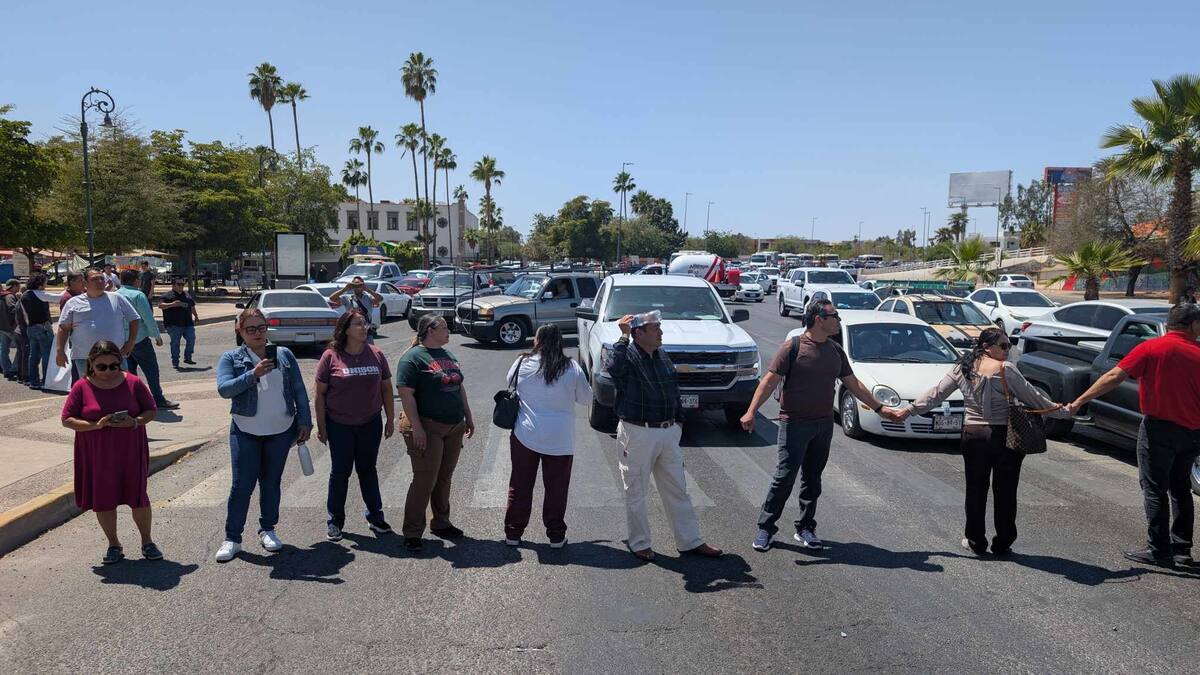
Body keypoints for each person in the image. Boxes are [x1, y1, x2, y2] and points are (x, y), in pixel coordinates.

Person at [741, 299, 903, 552]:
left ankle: (806, 528)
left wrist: (880, 408)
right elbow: (769, 382)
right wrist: (751, 412)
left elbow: (854, 383)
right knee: (784, 477)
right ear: (819, 319)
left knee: (812, 479)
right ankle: (765, 528)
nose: (838, 320)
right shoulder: (792, 348)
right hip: (794, 423)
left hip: (823, 424)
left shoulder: (835, 351)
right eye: (834, 316)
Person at [898, 327, 1068, 556]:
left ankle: (976, 540)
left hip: (973, 435)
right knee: (1006, 491)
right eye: (1004, 346)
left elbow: (936, 394)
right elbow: (1036, 400)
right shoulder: (1005, 369)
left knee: (975, 490)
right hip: (1004, 436)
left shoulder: (962, 367)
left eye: (1010, 345)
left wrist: (908, 410)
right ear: (987, 347)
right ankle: (1003, 541)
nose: (1009, 350)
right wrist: (1065, 411)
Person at [1067, 303, 1200, 568]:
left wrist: (1080, 400)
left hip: (1159, 430)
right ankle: (1182, 550)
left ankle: (1159, 549)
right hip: (1193, 433)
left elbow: (1115, 375)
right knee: (1181, 488)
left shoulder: (1151, 348)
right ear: (1192, 325)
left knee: (1154, 488)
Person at [607, 310, 722, 561]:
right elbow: (614, 370)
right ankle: (639, 543)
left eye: (659, 327)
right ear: (639, 333)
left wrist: (677, 423)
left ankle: (690, 541)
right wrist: (622, 338)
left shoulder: (661, 354)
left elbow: (672, 388)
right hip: (638, 432)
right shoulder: (627, 353)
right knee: (636, 491)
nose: (660, 332)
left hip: (667, 432)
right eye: (655, 328)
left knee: (678, 489)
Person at [213, 308, 312, 562]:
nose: (257, 333)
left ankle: (268, 529)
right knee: (241, 486)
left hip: (280, 430)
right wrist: (252, 374)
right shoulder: (231, 358)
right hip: (246, 431)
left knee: (271, 483)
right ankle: (232, 538)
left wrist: (305, 421)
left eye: (261, 327)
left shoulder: (284, 354)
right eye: (251, 329)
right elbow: (224, 390)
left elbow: (299, 389)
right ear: (240, 332)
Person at [60, 340, 161, 565]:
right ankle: (113, 544)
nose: (108, 371)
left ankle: (147, 541)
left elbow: (151, 410)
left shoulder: (133, 382)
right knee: (104, 500)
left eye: (114, 366)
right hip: (97, 453)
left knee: (138, 497)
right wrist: (96, 425)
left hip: (130, 450)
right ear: (91, 364)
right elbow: (67, 419)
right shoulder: (81, 386)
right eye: (102, 367)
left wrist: (134, 422)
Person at [503, 324, 592, 548]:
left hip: (526, 434)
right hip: (560, 438)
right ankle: (555, 535)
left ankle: (513, 534)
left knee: (520, 484)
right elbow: (586, 399)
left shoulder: (522, 362)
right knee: (556, 488)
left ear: (538, 341)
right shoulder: (571, 367)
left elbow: (510, 383)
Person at [395, 315, 474, 551]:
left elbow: (459, 387)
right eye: (444, 328)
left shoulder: (448, 355)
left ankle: (441, 523)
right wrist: (417, 428)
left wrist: (468, 416)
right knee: (424, 479)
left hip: (454, 427)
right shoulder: (413, 358)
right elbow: (406, 395)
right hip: (428, 427)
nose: (449, 331)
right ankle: (412, 531)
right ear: (430, 330)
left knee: (444, 477)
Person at [315, 309, 395, 541]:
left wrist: (389, 418)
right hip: (339, 424)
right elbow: (319, 394)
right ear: (346, 329)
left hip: (370, 423)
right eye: (358, 324)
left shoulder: (376, 354)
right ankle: (335, 521)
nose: (364, 327)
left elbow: (386, 388)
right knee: (340, 472)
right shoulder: (331, 356)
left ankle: (375, 516)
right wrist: (321, 425)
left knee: (368, 470)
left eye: (365, 323)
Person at [57, 269, 140, 383]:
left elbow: (134, 319)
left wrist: (130, 343)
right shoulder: (73, 303)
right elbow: (63, 328)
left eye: (102, 278)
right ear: (85, 283)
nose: (100, 281)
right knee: (90, 391)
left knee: (122, 388)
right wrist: (60, 351)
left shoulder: (116, 298)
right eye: (95, 279)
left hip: (116, 356)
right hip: (84, 358)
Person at [116, 269, 179, 410]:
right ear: (137, 280)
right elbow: (147, 317)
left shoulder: (114, 295)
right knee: (151, 370)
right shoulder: (138, 295)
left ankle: (133, 399)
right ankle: (158, 399)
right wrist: (156, 335)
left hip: (121, 341)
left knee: (129, 373)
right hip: (139, 339)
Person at [20, 274, 55, 389]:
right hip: (43, 327)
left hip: (30, 327)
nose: (46, 284)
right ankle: (46, 380)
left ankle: (33, 381)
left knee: (33, 355)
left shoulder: (24, 295)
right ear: (40, 285)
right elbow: (58, 298)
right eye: (45, 282)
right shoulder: (40, 294)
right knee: (46, 354)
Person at [159, 278, 199, 368]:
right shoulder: (167, 296)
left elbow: (192, 306)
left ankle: (188, 357)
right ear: (173, 285)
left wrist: (196, 316)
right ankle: (175, 361)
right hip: (174, 324)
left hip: (188, 323)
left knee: (191, 339)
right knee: (175, 343)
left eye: (182, 284)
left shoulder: (187, 295)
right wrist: (173, 304)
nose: (181, 286)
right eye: (179, 284)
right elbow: (161, 306)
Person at [0, 279, 20, 379]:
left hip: (2, 327)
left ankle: (6, 369)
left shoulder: (2, 295)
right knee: (21, 348)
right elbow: (13, 309)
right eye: (18, 285)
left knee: (3, 349)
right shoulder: (10, 296)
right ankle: (13, 369)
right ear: (13, 286)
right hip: (11, 328)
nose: (19, 287)